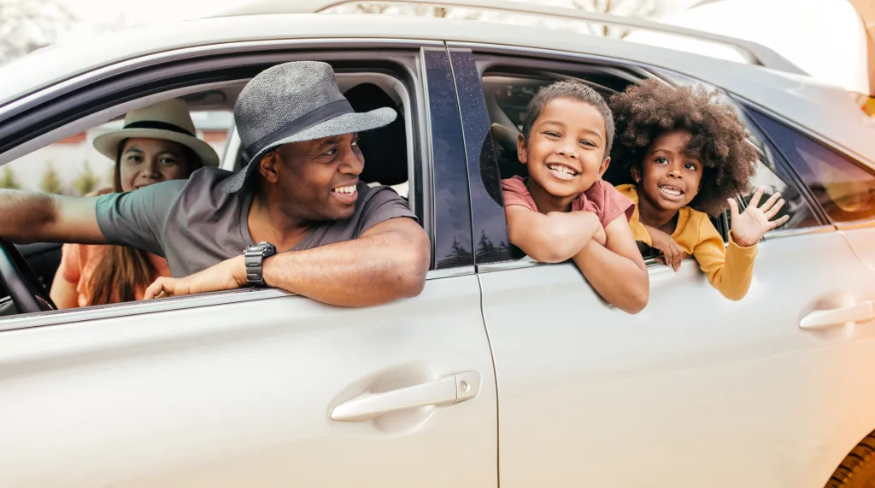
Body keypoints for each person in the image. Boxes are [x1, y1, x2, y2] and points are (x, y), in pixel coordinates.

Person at [1, 61, 430, 307]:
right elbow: (50, 213)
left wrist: (242, 270)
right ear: (272, 166)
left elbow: (403, 265)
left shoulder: (373, 208)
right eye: (330, 151)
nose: (356, 164)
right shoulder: (186, 206)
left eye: (355, 144)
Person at [609, 79, 790, 301]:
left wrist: (743, 244)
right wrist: (652, 236)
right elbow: (598, 225)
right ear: (638, 171)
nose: (676, 172)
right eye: (662, 160)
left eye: (689, 166)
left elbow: (732, 289)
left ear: (700, 185)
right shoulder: (618, 197)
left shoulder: (698, 227)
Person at [49, 99, 220, 309]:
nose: (149, 171)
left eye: (167, 160)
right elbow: (55, 317)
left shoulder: (209, 234)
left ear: (190, 170)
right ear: (119, 166)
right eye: (135, 158)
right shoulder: (90, 221)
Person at [501, 80, 649, 314]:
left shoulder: (601, 195)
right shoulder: (508, 194)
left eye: (587, 143)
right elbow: (549, 241)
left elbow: (637, 295)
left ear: (601, 168)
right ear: (523, 148)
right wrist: (590, 223)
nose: (568, 150)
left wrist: (579, 240)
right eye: (552, 133)